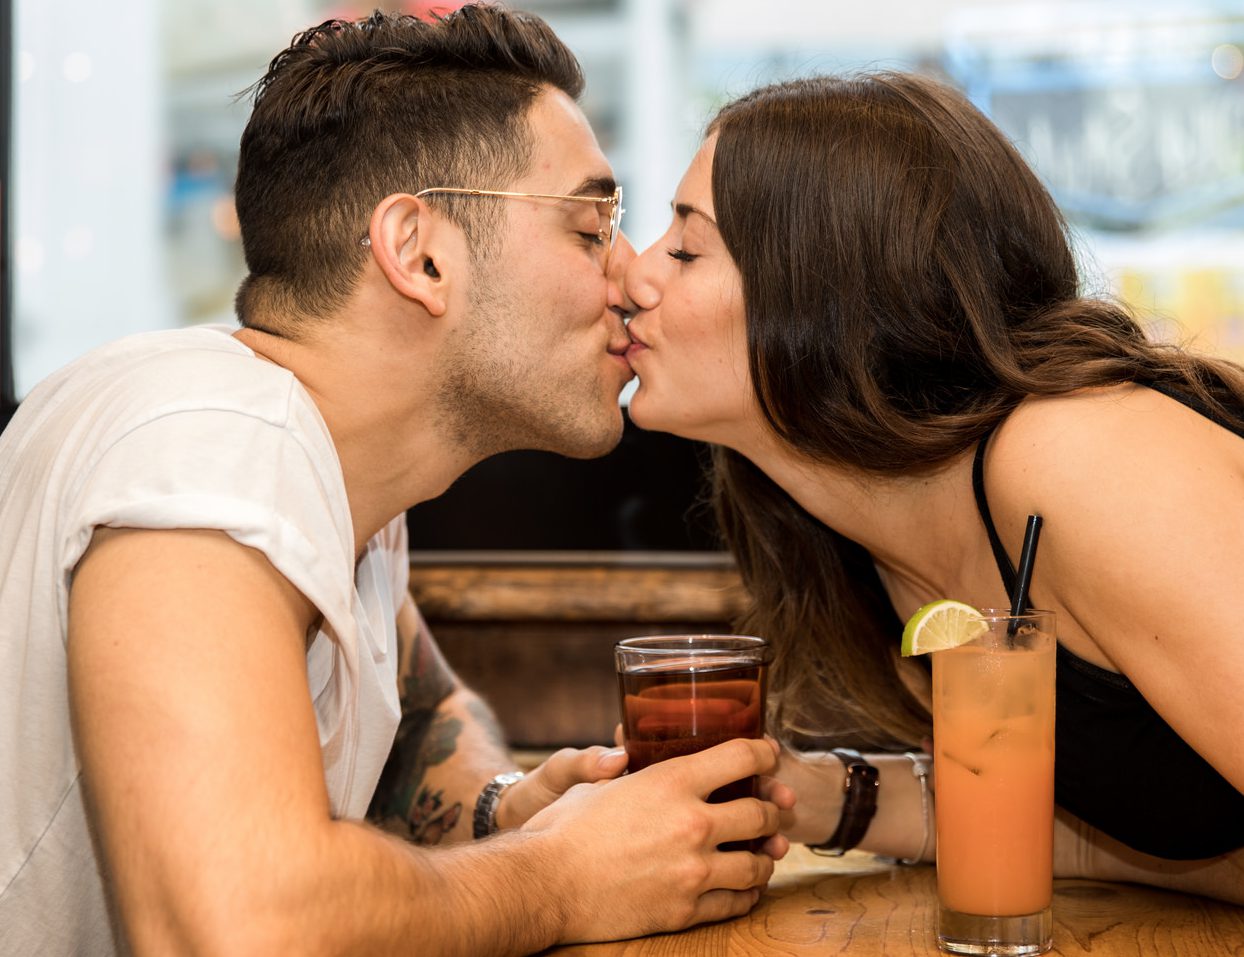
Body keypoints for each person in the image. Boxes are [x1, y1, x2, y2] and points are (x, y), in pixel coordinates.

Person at [0, 8, 793, 955]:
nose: (630, 276)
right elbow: (230, 926)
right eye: (590, 227)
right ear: (419, 253)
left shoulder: (336, 475)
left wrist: (508, 812)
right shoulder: (215, 442)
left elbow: (423, 711)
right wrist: (565, 874)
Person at [622, 70, 1244, 903]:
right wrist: (811, 797)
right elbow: (1138, 835)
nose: (635, 276)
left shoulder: (1073, 456)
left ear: (831, 292)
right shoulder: (874, 541)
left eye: (687, 248)